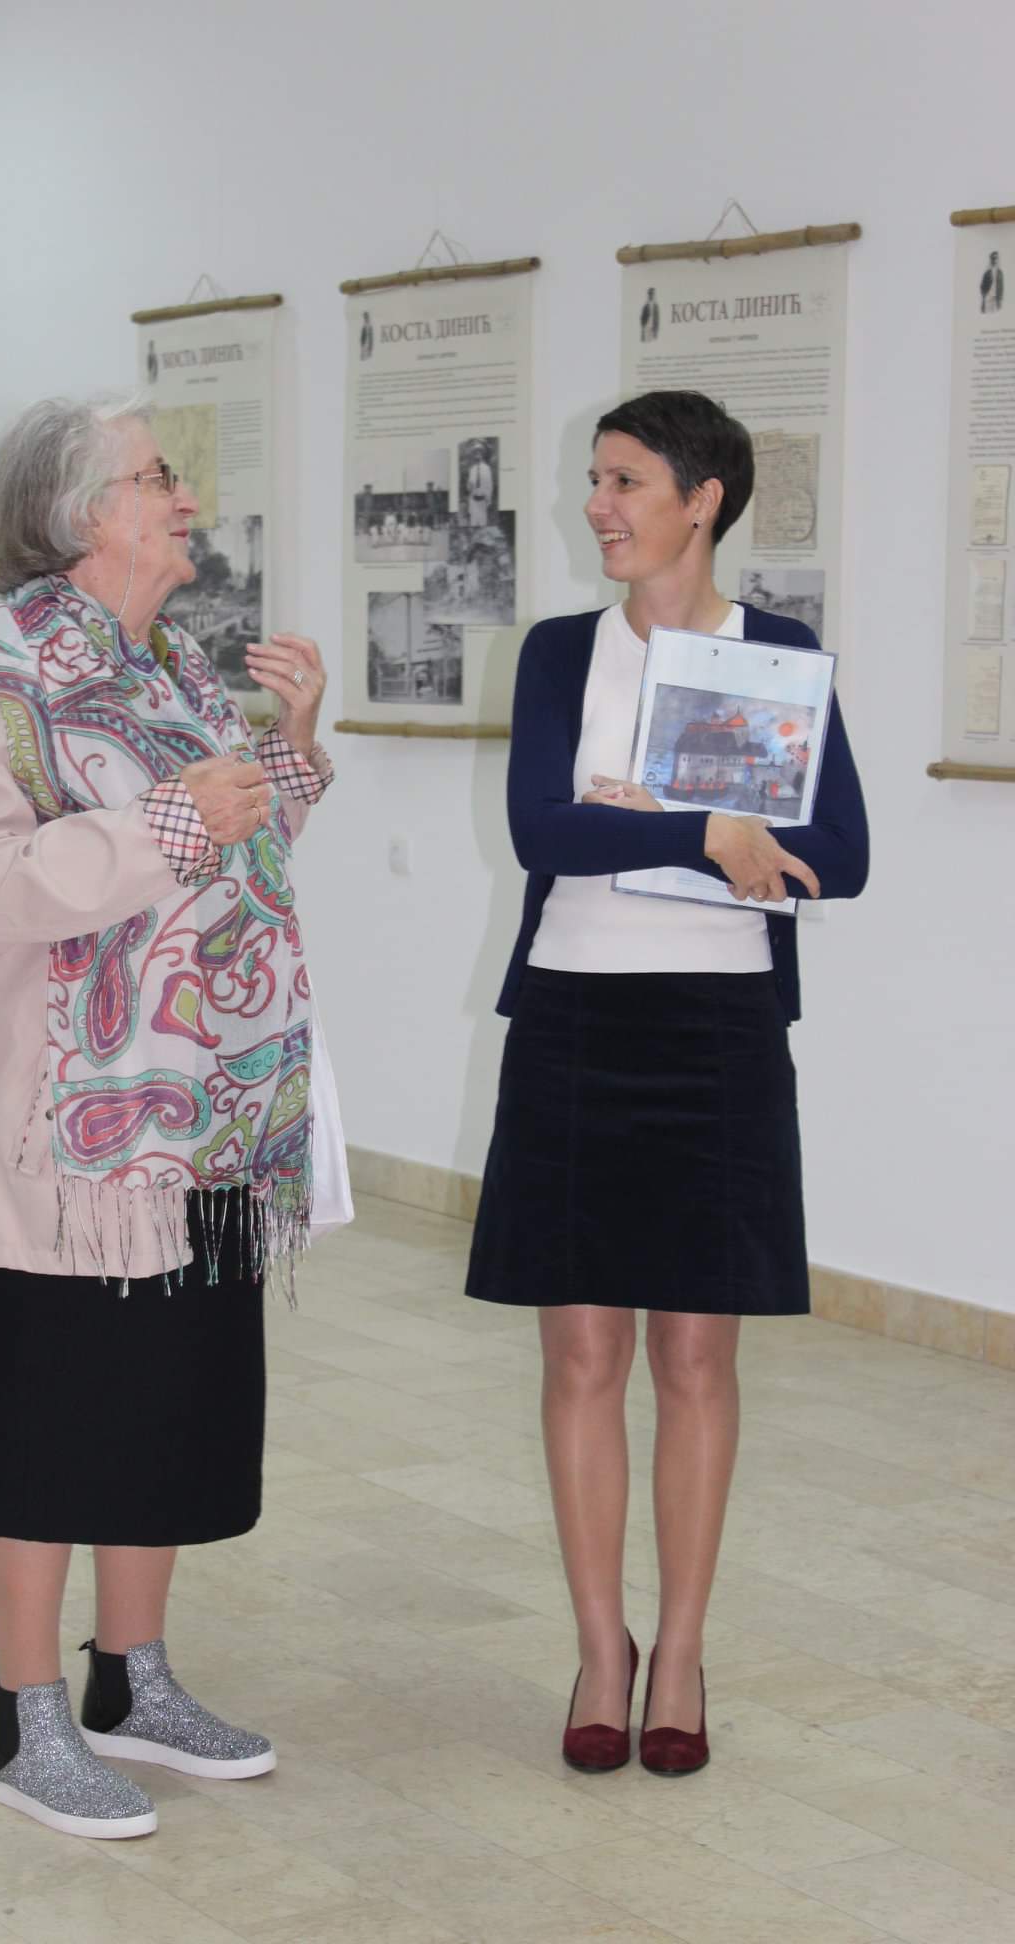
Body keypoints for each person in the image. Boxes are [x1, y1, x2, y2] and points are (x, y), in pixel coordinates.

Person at [0, 392, 332, 1839]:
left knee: (170, 1406)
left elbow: (237, 845)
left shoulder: (176, 670)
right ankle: (24, 1718)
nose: (185, 500)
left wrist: (291, 748)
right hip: (72, 1135)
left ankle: (130, 1682)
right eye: (158, 479)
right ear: (84, 513)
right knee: (53, 1416)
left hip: (206, 1115)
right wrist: (170, 822)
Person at [467, 390, 867, 1779]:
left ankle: (682, 1652)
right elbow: (543, 830)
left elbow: (842, 854)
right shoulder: (561, 652)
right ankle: (602, 1649)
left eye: (626, 480)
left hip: (718, 1030)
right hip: (575, 1019)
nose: (598, 504)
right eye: (596, 478)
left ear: (703, 501)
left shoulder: (778, 656)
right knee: (582, 1356)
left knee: (697, 1359)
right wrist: (712, 826)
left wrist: (646, 819)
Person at [465, 443, 494, 526]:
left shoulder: (486, 469)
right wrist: (469, 486)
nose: (477, 455)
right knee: (473, 523)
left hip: (483, 501)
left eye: (479, 452)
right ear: (474, 455)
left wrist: (488, 499)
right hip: (473, 500)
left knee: (482, 523)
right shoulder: (472, 469)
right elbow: (469, 486)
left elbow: (489, 485)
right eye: (476, 453)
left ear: (482, 454)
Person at [980, 250, 1004, 314]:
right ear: (991, 259)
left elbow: (1001, 287)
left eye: (996, 258)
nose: (995, 260)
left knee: (997, 315)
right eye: (993, 258)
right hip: (988, 297)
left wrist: (1000, 299)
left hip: (996, 299)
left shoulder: (1000, 273)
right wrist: (984, 296)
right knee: (987, 315)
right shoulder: (987, 273)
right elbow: (982, 286)